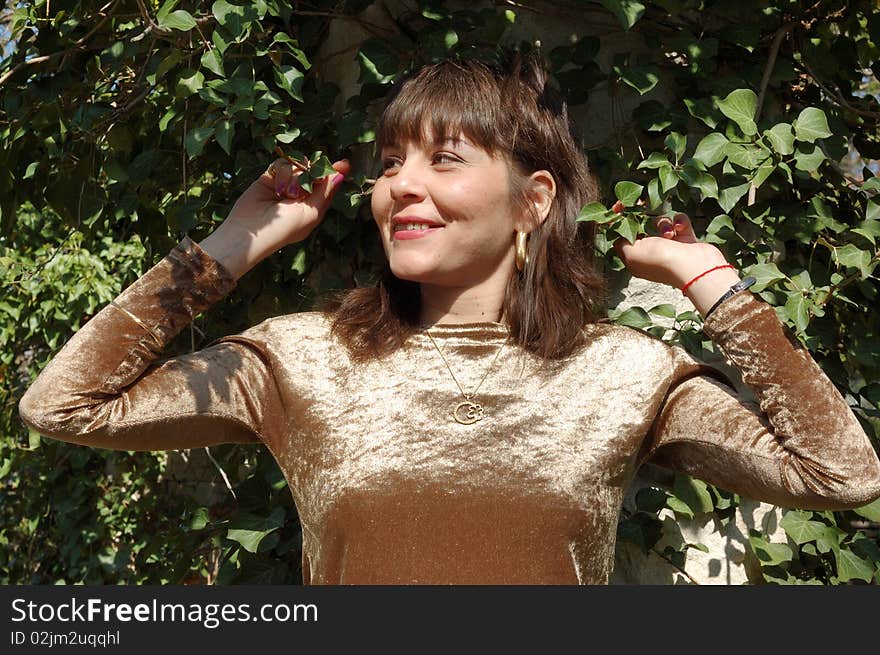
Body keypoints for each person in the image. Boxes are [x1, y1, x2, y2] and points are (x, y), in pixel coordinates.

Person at [18, 53, 880, 585]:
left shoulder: (625, 372)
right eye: (392, 161)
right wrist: (227, 249)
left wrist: (715, 286)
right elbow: (63, 405)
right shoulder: (301, 359)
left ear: (532, 200)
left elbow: (842, 474)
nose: (402, 185)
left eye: (445, 158)